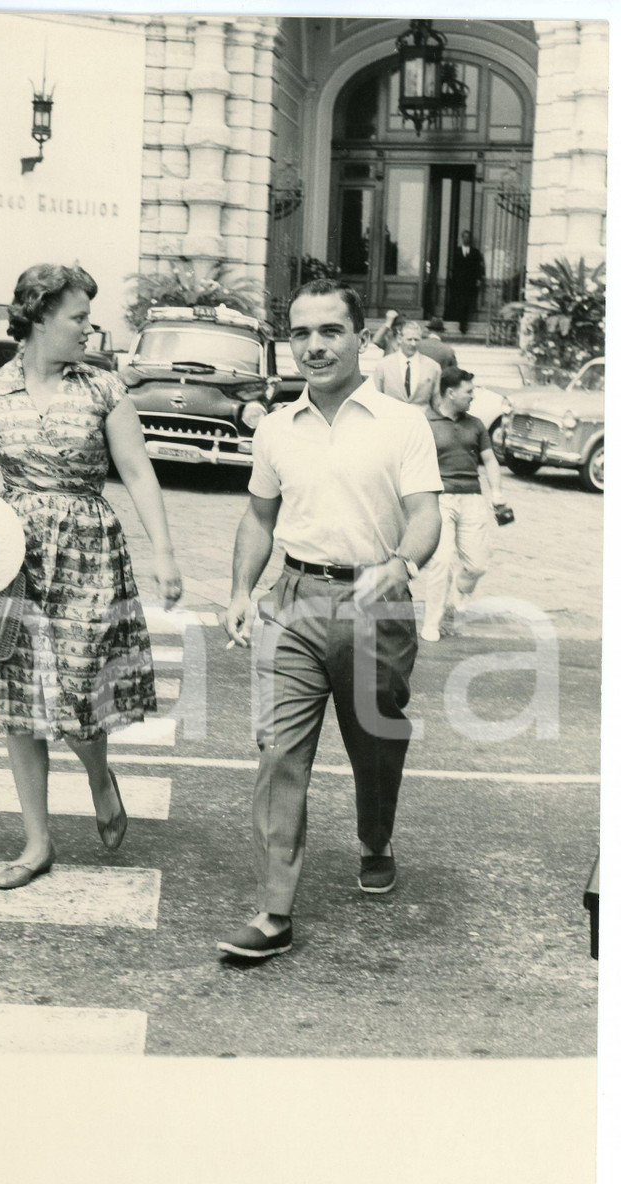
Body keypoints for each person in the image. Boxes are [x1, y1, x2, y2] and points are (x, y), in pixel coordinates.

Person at [218, 278, 441, 959]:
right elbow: (259, 516)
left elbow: (427, 513)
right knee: (279, 752)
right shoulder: (277, 428)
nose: (314, 347)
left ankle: (375, 836)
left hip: (378, 600)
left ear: (360, 338)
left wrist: (400, 563)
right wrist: (238, 591)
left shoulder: (402, 423)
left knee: (376, 744)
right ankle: (274, 911)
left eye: (330, 332)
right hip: (292, 598)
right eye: (301, 334)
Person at [0, 262, 183, 889]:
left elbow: (137, 471)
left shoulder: (104, 388)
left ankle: (98, 774)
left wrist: (164, 552)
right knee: (21, 699)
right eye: (78, 317)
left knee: (79, 689)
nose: (89, 329)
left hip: (88, 548)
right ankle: (37, 842)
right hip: (13, 558)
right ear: (36, 318)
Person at [420, 368, 507, 643]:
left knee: (477, 565)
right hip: (440, 499)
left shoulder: (477, 424)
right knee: (441, 562)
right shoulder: (425, 423)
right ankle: (431, 623)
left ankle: (460, 589)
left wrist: (497, 494)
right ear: (451, 393)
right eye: (469, 392)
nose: (473, 397)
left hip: (472, 498)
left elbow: (490, 460)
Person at [371, 319, 441, 409]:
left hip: (420, 420)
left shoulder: (433, 367)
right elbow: (376, 399)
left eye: (416, 340)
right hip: (390, 419)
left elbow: (436, 402)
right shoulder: (383, 365)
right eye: (409, 339)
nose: (413, 344)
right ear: (400, 339)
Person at [449, 231, 486, 335]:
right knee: (460, 303)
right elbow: (454, 267)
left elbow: (479, 267)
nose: (466, 239)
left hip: (470, 283)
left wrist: (478, 279)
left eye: (468, 237)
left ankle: (464, 324)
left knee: (467, 303)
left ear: (470, 239)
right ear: (462, 238)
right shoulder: (456, 251)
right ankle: (462, 324)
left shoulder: (475, 252)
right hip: (459, 283)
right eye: (464, 237)